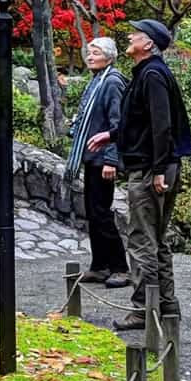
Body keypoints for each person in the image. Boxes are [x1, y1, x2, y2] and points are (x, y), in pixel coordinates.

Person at [88, 19, 191, 331]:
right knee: (156, 239)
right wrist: (112, 135)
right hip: (157, 164)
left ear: (148, 44)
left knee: (142, 240)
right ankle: (167, 306)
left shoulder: (152, 75)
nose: (130, 36)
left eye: (136, 34)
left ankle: (142, 311)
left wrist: (158, 169)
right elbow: (142, 122)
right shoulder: (149, 73)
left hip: (150, 168)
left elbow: (162, 125)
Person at [64, 37, 130, 288]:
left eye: (95, 52)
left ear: (109, 57)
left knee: (102, 213)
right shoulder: (96, 80)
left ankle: (120, 268)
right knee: (93, 213)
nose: (89, 57)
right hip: (91, 156)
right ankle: (100, 265)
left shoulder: (112, 82)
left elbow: (117, 123)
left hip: (103, 158)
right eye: (88, 52)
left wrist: (111, 160)